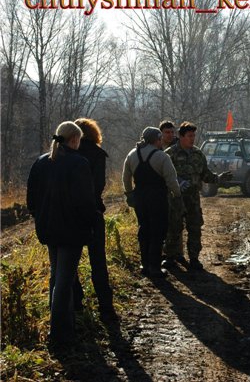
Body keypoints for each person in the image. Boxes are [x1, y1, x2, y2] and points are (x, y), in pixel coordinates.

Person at [27, 121, 97, 350]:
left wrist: (42, 217)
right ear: (75, 139)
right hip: (71, 230)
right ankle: (60, 334)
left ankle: (60, 326)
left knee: (57, 276)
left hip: (48, 229)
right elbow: (86, 201)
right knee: (64, 280)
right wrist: (90, 224)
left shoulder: (41, 162)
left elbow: (31, 201)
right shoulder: (79, 163)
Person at [164, 122, 229, 271]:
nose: (192, 139)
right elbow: (164, 175)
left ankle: (194, 258)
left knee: (194, 228)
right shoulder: (170, 154)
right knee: (174, 227)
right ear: (181, 137)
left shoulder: (198, 154)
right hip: (176, 198)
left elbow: (205, 174)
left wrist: (218, 178)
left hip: (193, 198)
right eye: (189, 136)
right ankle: (170, 257)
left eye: (193, 136)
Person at [71, 118, 117, 320]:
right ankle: (106, 307)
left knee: (71, 260)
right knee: (98, 260)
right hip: (93, 212)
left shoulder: (67, 154)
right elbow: (98, 186)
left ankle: (76, 302)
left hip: (71, 214)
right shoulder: (98, 155)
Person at [123, 127, 181, 278]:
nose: (162, 141)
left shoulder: (132, 154)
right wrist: (178, 196)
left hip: (140, 197)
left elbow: (126, 177)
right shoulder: (162, 157)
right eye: (160, 138)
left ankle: (145, 264)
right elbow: (171, 180)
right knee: (158, 231)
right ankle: (155, 267)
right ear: (156, 139)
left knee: (144, 229)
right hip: (157, 198)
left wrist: (129, 195)